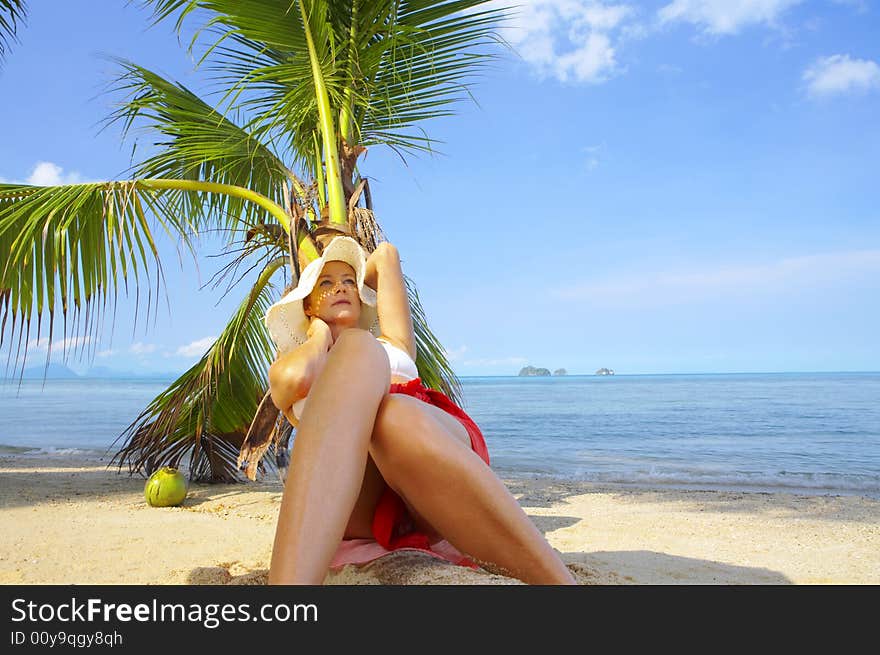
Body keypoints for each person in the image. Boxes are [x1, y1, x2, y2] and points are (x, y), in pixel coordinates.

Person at [264, 235, 576, 585]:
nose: (341, 287)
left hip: (426, 455)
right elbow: (292, 381)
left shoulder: (390, 341)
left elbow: (386, 255)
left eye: (348, 281)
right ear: (306, 305)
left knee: (391, 411)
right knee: (355, 353)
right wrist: (320, 333)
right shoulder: (298, 358)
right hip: (361, 500)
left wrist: (351, 283)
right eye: (326, 283)